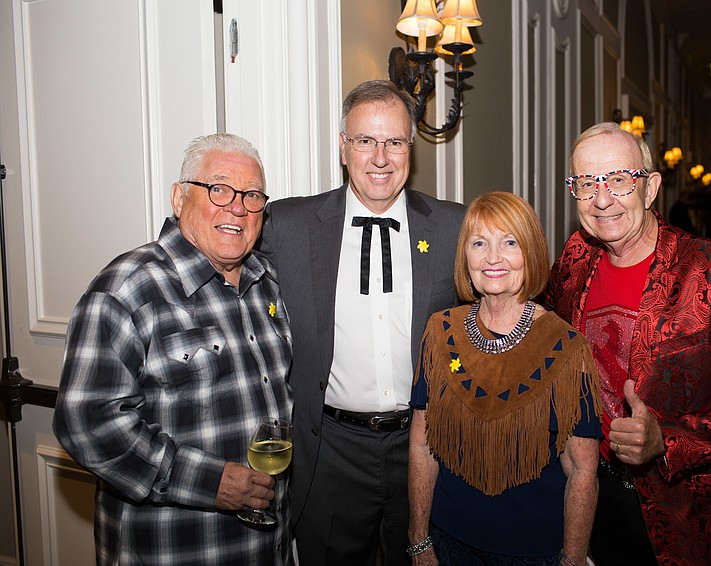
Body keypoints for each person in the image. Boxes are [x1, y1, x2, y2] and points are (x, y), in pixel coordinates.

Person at [544, 122, 711, 566]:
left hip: (693, 516)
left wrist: (668, 440)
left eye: (619, 180)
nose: (602, 200)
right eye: (586, 184)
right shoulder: (576, 258)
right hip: (594, 493)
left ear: (651, 186)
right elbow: (542, 327)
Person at [53, 133, 294, 565]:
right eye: (218, 189)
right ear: (179, 198)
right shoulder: (129, 288)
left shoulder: (267, 283)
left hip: (263, 546)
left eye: (253, 195)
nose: (237, 207)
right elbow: (87, 421)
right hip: (173, 546)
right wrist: (206, 481)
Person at [259, 79, 466, 565]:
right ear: (343, 147)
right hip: (329, 450)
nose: (380, 157)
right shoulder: (287, 225)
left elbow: (512, 285)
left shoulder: (455, 227)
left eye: (394, 141)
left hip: (427, 445)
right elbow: (213, 238)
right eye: (365, 141)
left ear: (410, 148)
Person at [408, 192, 602, 566]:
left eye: (509, 242)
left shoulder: (566, 346)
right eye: (479, 243)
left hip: (535, 552)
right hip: (446, 542)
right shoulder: (439, 332)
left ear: (530, 253)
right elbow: (421, 448)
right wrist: (418, 541)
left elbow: (582, 470)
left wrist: (573, 559)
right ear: (466, 257)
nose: (493, 257)